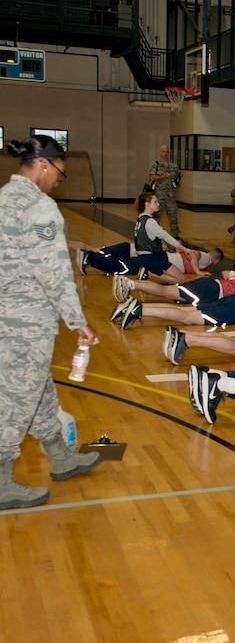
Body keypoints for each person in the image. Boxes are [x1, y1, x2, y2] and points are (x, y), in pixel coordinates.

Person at [1, 136, 101, 510]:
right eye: (59, 173)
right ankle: (1, 482)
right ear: (43, 165)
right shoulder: (40, 209)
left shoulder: (3, 200)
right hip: (26, 324)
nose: (59, 180)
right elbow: (55, 273)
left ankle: (60, 457)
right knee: (15, 402)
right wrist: (78, 320)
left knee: (39, 392)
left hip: (5, 318)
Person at [113, 264, 235, 306]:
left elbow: (226, 273)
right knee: (166, 292)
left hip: (211, 285)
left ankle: (130, 284)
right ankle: (129, 283)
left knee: (168, 292)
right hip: (210, 291)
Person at [77, 241, 219, 281]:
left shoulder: (205, 260)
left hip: (162, 259)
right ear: (216, 260)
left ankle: (92, 256)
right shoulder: (206, 258)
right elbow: (194, 254)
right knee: (124, 267)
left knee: (126, 256)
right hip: (161, 262)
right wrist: (198, 271)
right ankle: (90, 258)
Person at [148, 144, 181, 238]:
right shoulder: (156, 165)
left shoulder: (174, 166)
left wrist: (177, 186)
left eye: (166, 151)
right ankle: (153, 236)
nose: (165, 153)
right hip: (158, 197)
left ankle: (176, 237)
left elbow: (178, 180)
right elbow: (152, 177)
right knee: (156, 217)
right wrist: (163, 177)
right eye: (163, 151)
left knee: (173, 217)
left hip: (171, 197)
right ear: (160, 152)